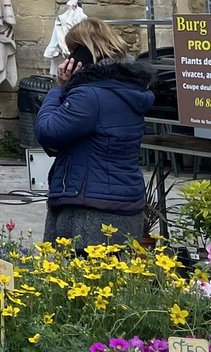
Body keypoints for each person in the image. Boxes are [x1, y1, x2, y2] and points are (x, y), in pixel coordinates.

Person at [35, 17, 155, 248]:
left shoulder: (89, 95)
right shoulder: (129, 88)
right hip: (124, 201)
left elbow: (47, 131)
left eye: (72, 51)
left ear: (85, 52)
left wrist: (60, 87)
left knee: (74, 279)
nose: (68, 58)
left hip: (89, 205)